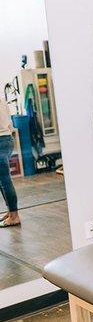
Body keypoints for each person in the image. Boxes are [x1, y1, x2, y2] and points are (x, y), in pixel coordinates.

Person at [0, 97, 19, 228]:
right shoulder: (1, 99)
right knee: (3, 180)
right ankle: (10, 212)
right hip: (7, 139)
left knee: (5, 180)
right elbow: (9, 121)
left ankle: (14, 216)